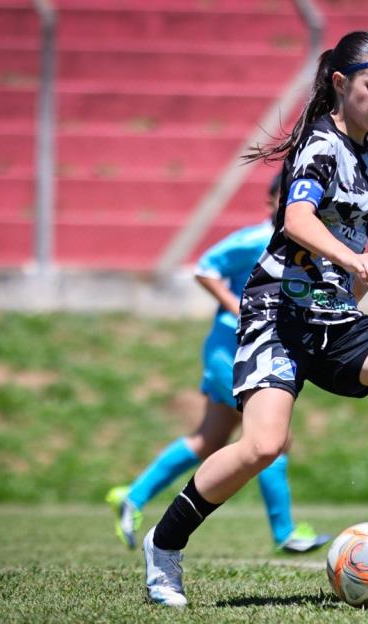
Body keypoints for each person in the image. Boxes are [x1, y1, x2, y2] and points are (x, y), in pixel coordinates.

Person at [141, 30, 368, 607]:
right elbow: (297, 219)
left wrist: (353, 279)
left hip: (333, 317)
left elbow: (337, 240)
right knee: (262, 447)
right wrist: (351, 257)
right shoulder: (321, 146)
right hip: (277, 314)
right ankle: (164, 544)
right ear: (340, 84)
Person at [106, 174, 331, 555]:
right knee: (273, 438)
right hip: (232, 350)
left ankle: (133, 496)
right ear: (271, 203)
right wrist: (239, 309)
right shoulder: (257, 239)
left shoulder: (305, 248)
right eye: (286, 199)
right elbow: (205, 268)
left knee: (208, 440)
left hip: (254, 351)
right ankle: (285, 532)